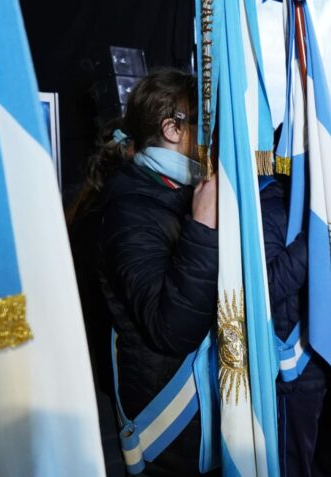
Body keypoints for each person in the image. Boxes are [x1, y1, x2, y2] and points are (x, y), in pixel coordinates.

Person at [97, 69, 220, 475]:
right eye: (203, 125)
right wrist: (202, 227)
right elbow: (172, 329)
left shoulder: (175, 189)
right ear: (171, 129)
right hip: (169, 418)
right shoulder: (129, 209)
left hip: (198, 410)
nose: (210, 138)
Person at [258, 175, 331, 477]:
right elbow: (265, 288)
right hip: (295, 367)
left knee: (324, 461)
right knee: (295, 464)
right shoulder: (268, 203)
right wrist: (315, 239)